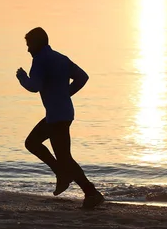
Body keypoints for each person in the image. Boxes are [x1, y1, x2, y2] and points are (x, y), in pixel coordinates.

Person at [16, 27, 104, 209]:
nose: (28, 50)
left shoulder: (40, 60)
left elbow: (34, 86)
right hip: (62, 113)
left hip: (57, 117)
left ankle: (90, 192)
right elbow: (82, 77)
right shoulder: (60, 58)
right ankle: (69, 179)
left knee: (62, 157)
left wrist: (22, 77)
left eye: (29, 45)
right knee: (35, 144)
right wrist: (66, 94)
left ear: (37, 44)